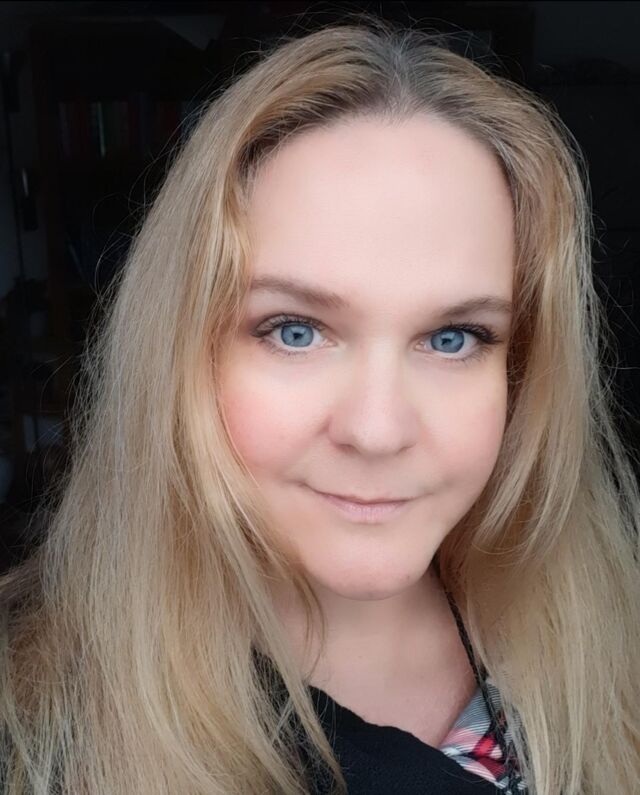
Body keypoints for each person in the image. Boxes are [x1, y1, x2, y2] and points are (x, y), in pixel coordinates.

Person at [1, 13, 638, 795]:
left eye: (453, 338)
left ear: (521, 370)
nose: (377, 429)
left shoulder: (609, 650)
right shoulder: (38, 730)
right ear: (184, 355)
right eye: (295, 330)